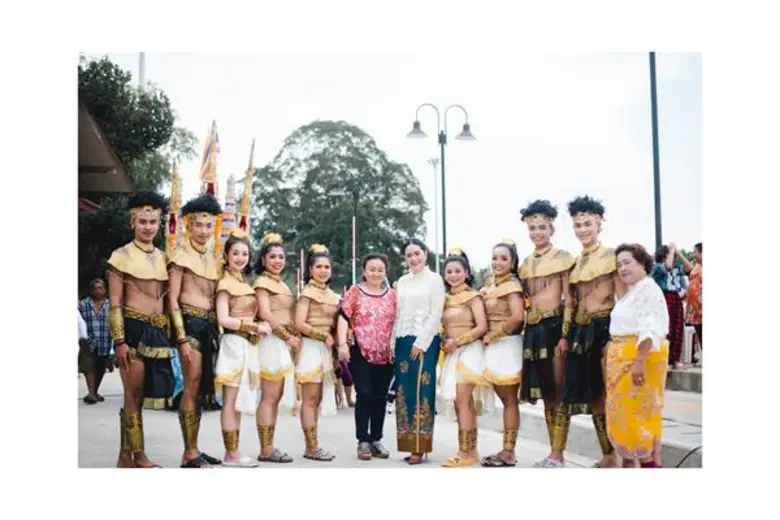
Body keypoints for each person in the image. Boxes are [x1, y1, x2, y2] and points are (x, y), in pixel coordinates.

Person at [553, 195, 624, 469]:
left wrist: (617, 337)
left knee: (609, 394)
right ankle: (607, 455)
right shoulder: (575, 262)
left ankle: (622, 456)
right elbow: (571, 301)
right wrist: (565, 334)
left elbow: (622, 298)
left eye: (587, 224)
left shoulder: (612, 256)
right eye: (578, 225)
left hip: (605, 327)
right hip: (580, 332)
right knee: (594, 395)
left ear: (600, 224)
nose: (582, 229)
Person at [107, 191, 175, 468]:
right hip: (132, 330)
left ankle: (126, 455)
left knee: (144, 394)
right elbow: (114, 302)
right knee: (132, 395)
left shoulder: (164, 257)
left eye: (153, 221)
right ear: (132, 222)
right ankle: (138, 455)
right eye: (143, 221)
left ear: (160, 224)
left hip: (157, 332)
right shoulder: (120, 256)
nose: (148, 227)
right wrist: (119, 341)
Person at [516, 201, 577, 468]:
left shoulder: (563, 258)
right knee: (546, 394)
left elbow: (570, 300)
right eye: (532, 228)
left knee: (558, 391)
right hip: (533, 330)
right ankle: (554, 453)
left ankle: (558, 453)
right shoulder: (526, 264)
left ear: (552, 228)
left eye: (542, 227)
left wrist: (565, 334)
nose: (537, 232)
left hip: (555, 328)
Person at [167, 193, 223, 468]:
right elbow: (172, 299)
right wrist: (180, 338)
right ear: (189, 225)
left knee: (201, 389)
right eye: (198, 225)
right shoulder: (180, 255)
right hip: (188, 325)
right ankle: (189, 452)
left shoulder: (213, 259)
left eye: (207, 226)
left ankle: (195, 447)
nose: (203, 231)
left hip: (208, 327)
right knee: (191, 386)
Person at [607, 244, 669, 468]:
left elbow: (649, 329)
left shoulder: (648, 290)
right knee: (626, 424)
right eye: (619, 265)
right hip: (620, 362)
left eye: (627, 262)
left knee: (637, 425)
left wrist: (639, 362)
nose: (622, 268)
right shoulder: (633, 291)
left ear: (643, 264)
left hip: (635, 363)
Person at [214, 229, 272, 467]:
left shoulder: (243, 283)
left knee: (237, 399)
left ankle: (234, 451)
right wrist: (253, 327)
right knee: (230, 400)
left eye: (245, 253)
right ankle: (231, 453)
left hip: (246, 344)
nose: (240, 258)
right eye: (235, 253)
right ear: (226, 255)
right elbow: (222, 319)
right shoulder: (226, 284)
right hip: (233, 345)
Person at [336, 253, 397, 461]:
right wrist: (342, 344)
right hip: (360, 350)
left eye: (380, 270)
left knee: (380, 397)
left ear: (385, 271)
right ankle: (362, 440)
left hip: (385, 354)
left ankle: (375, 439)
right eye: (372, 269)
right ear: (364, 271)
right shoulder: (356, 291)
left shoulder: (393, 295)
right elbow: (344, 315)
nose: (376, 273)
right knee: (365, 394)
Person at [391, 239, 445, 465]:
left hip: (424, 341)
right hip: (403, 341)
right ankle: (407, 442)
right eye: (409, 255)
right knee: (404, 391)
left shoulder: (435, 280)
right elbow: (398, 314)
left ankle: (420, 447)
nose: (413, 259)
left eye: (417, 253)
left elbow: (436, 313)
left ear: (425, 253)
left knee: (422, 391)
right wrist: (393, 343)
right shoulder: (402, 281)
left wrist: (421, 343)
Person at [438, 249, 488, 468]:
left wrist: (457, 342)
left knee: (462, 399)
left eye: (458, 270)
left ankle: (465, 451)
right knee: (461, 402)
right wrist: (444, 340)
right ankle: (470, 449)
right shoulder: (444, 299)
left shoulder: (473, 296)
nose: (453, 275)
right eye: (449, 271)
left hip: (470, 351)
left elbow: (482, 326)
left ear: (466, 272)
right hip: (451, 352)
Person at [253, 232, 298, 463]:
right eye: (273, 257)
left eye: (281, 257)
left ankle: (269, 445)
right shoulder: (262, 283)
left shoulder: (283, 285)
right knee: (269, 397)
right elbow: (265, 313)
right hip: (272, 341)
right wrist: (286, 336)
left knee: (276, 396)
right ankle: (266, 448)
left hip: (283, 342)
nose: (278, 261)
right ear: (263, 260)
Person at [480, 239, 526, 467]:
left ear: (513, 262)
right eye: (495, 258)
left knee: (509, 400)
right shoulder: (491, 285)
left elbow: (517, 317)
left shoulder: (512, 286)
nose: (498, 262)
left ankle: (509, 452)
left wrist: (493, 335)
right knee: (505, 400)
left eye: (504, 258)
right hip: (492, 346)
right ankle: (505, 449)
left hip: (506, 345)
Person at [294, 244, 340, 461]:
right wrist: (323, 337)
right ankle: (311, 447)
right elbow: (299, 323)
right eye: (319, 266)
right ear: (310, 269)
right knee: (310, 399)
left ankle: (313, 445)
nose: (323, 270)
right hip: (311, 348)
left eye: (327, 267)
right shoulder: (307, 293)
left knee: (318, 398)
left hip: (325, 350)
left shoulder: (331, 294)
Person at [651, 244, 688, 368]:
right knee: (666, 329)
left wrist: (679, 252)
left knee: (677, 330)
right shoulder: (656, 268)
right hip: (664, 298)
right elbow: (667, 266)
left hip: (675, 299)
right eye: (669, 253)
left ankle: (675, 359)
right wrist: (672, 250)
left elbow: (690, 268)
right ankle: (665, 358)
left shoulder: (677, 267)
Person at [79, 278, 113, 404]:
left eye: (100, 288)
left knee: (100, 368)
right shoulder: (83, 304)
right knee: (89, 367)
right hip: (88, 340)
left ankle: (94, 392)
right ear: (91, 290)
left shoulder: (110, 305)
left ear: (104, 290)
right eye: (95, 288)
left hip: (105, 340)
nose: (98, 290)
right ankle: (91, 393)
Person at [677, 242, 702, 360]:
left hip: (702, 306)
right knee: (699, 331)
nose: (693, 255)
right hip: (694, 307)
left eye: (695, 252)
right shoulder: (697, 265)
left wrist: (678, 252)